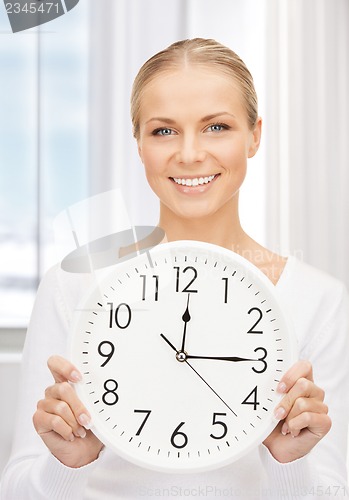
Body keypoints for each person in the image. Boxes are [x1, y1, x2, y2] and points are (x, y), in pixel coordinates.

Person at [1, 38, 348, 499]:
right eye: (163, 131)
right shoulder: (75, 285)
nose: (189, 154)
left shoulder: (318, 301)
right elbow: (17, 491)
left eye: (216, 127)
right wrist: (66, 465)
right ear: (139, 143)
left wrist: (290, 461)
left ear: (254, 136)